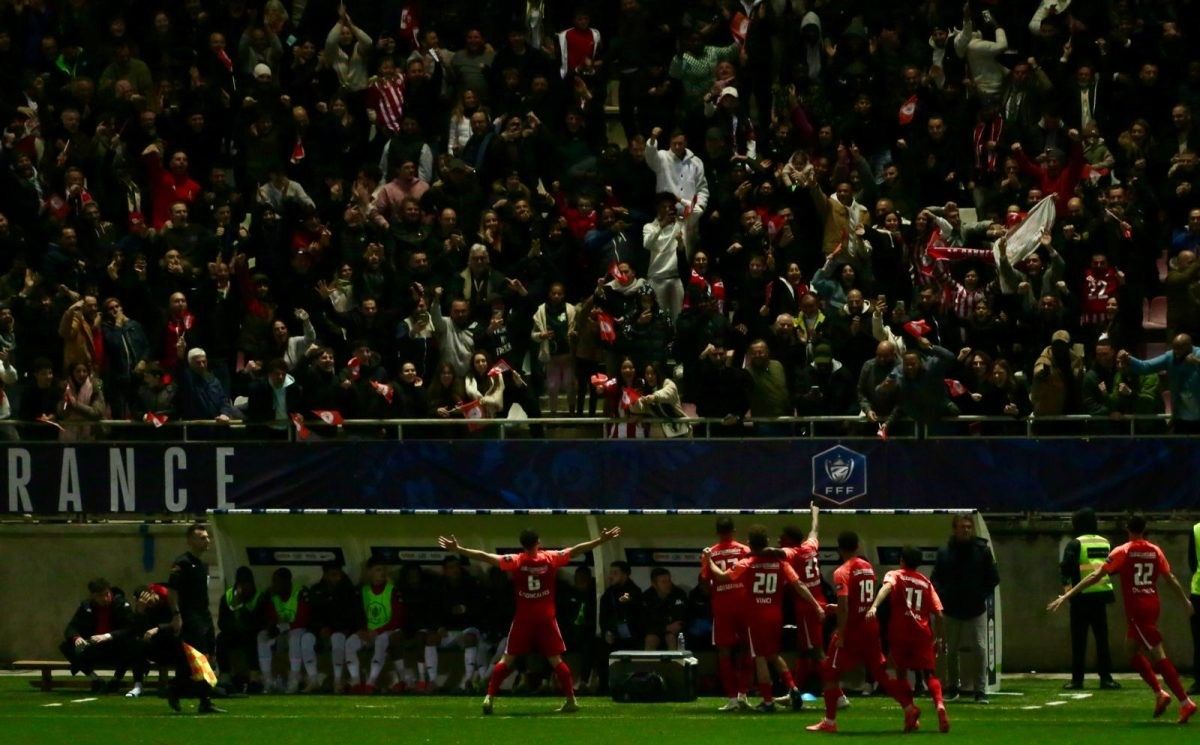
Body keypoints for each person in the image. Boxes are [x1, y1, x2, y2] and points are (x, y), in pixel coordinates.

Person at [436, 525, 622, 715]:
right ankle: (570, 700)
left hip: (524, 618)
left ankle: (489, 697)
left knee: (507, 659)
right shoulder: (550, 558)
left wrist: (458, 549)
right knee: (556, 660)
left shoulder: (515, 561)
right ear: (538, 542)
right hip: (546, 618)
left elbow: (484, 556)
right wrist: (601, 540)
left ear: (522, 544)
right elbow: (576, 550)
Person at [1049, 514, 1197, 723]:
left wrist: (1067, 595)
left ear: (1127, 529)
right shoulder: (1155, 550)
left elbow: (1095, 575)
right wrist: (1184, 600)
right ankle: (1159, 693)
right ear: (1145, 529)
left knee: (1158, 654)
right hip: (1153, 603)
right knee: (1130, 651)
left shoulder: (1123, 551)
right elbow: (1170, 577)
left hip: (1137, 608)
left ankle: (1185, 702)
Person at [807, 531, 919, 734]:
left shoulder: (842, 571)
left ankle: (830, 721)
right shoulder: (867, 567)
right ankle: (909, 708)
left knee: (830, 673)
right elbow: (861, 599)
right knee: (880, 674)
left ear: (839, 549)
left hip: (853, 630)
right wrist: (838, 608)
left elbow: (845, 605)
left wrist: (841, 633)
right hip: (870, 626)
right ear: (857, 546)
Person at [704, 525, 824, 712]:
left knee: (759, 658)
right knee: (773, 655)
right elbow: (799, 584)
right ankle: (793, 688)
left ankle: (768, 701)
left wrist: (709, 559)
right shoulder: (780, 562)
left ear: (750, 543)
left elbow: (721, 577)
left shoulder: (747, 563)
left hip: (756, 616)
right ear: (767, 542)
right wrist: (816, 605)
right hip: (776, 615)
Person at [867, 546, 951, 734]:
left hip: (900, 632)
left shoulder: (895, 575)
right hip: (922, 633)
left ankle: (910, 712)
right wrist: (940, 637)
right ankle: (939, 704)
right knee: (929, 674)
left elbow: (886, 588)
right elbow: (939, 614)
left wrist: (874, 606)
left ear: (902, 560)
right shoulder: (926, 582)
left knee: (901, 672)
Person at [931, 513, 1000, 704]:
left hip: (975, 608)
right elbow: (935, 578)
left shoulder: (982, 551)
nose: (966, 530)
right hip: (951, 608)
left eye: (969, 527)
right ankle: (953, 687)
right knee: (950, 650)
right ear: (955, 529)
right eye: (963, 527)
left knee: (980, 649)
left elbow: (994, 578)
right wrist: (943, 595)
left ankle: (980, 690)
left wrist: (980, 594)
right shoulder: (945, 552)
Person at [1058, 508, 1120, 690]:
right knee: (1102, 640)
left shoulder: (1075, 544)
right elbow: (1112, 568)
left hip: (1080, 599)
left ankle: (1077, 680)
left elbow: (1065, 569)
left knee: (1079, 641)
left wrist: (1068, 592)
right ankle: (1106, 678)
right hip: (1101, 597)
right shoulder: (1105, 542)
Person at [166, 523, 223, 714]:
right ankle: (201, 698)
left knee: (207, 655)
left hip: (204, 615)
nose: (207, 541)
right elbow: (172, 591)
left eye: (207, 537)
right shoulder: (182, 563)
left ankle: (180, 690)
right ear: (190, 540)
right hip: (190, 616)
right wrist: (176, 615)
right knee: (199, 657)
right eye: (202, 538)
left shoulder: (200, 565)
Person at [780, 504, 829, 700]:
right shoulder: (810, 547)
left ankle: (837, 694)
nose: (779, 540)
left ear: (790, 541)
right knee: (802, 651)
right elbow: (814, 530)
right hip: (815, 603)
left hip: (809, 607)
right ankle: (795, 692)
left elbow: (778, 553)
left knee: (817, 652)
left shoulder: (793, 553)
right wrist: (815, 512)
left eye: (782, 537)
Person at [702, 516, 751, 711]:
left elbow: (704, 581)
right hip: (744, 604)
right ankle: (743, 693)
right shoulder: (744, 550)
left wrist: (715, 592)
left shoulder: (710, 553)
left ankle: (731, 698)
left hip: (722, 606)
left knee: (724, 651)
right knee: (748, 649)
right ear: (734, 531)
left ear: (717, 532)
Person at [60, 578, 135, 693]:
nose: (105, 598)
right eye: (100, 596)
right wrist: (77, 638)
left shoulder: (121, 604)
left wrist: (107, 636)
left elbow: (130, 628)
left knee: (132, 644)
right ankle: (95, 679)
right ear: (93, 596)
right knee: (66, 647)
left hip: (115, 647)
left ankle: (116, 680)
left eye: (107, 594)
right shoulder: (86, 606)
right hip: (94, 647)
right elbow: (71, 627)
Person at [345, 557, 405, 694]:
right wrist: (361, 630)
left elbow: (397, 618)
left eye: (384, 570)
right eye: (378, 570)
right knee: (350, 643)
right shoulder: (362, 590)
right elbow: (356, 614)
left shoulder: (392, 590)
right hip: (369, 631)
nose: (382, 573)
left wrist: (378, 631)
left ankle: (371, 682)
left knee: (381, 641)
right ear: (369, 572)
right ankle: (355, 681)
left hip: (387, 630)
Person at [255, 567, 318, 693]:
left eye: (277, 582)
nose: (274, 585)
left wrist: (284, 627)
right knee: (262, 636)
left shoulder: (300, 592)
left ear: (286, 582)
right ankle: (268, 679)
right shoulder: (271, 595)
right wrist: (272, 627)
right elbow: (269, 616)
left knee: (295, 637)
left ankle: (294, 678)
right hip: (281, 632)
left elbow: (304, 618)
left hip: (298, 630)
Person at [307, 561, 364, 694]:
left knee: (337, 637)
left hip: (342, 630)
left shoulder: (349, 590)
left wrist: (339, 629)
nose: (337, 578)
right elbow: (312, 616)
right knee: (305, 638)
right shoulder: (316, 590)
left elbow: (354, 615)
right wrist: (320, 628)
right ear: (325, 575)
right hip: (321, 631)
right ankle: (312, 679)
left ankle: (337, 680)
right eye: (333, 575)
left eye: (339, 574)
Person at [216, 566, 262, 694]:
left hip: (250, 632)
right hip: (233, 633)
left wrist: (243, 608)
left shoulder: (258, 597)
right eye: (242, 584)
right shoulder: (228, 597)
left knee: (253, 640)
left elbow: (259, 621)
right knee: (220, 639)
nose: (245, 587)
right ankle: (225, 676)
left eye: (247, 584)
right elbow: (221, 622)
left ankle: (254, 678)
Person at [641, 568, 688, 651]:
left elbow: (683, 616)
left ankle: (673, 660)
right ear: (654, 584)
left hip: (674, 632)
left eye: (669, 580)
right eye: (663, 582)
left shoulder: (679, 594)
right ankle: (649, 660)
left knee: (671, 638)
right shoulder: (646, 597)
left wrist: (674, 627)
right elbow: (644, 623)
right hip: (656, 631)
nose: (668, 584)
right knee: (650, 639)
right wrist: (666, 628)